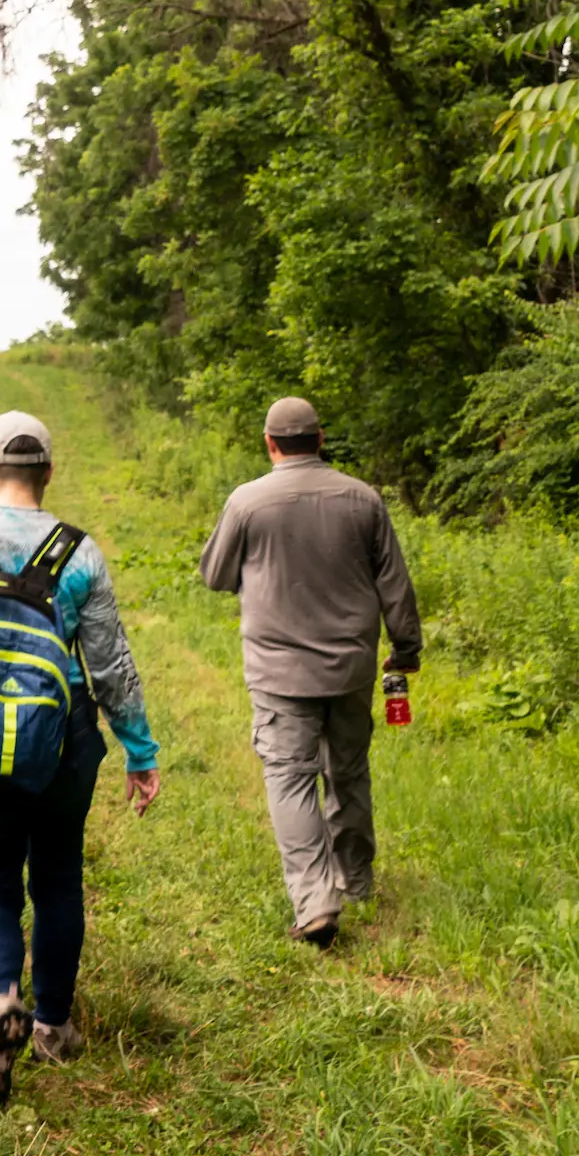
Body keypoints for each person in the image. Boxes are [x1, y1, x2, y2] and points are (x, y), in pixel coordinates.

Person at [0, 410, 160, 1111]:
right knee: (57, 877)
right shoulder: (80, 554)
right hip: (62, 742)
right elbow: (110, 667)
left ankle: (0, 998)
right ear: (47, 475)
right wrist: (139, 748)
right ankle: (51, 1026)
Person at [198, 396, 420, 949]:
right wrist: (407, 647)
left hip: (279, 674)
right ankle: (357, 881)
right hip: (352, 668)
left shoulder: (248, 502)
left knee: (291, 779)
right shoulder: (363, 498)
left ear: (270, 444)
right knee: (349, 772)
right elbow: (394, 581)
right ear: (320, 439)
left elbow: (216, 576)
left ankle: (317, 903)